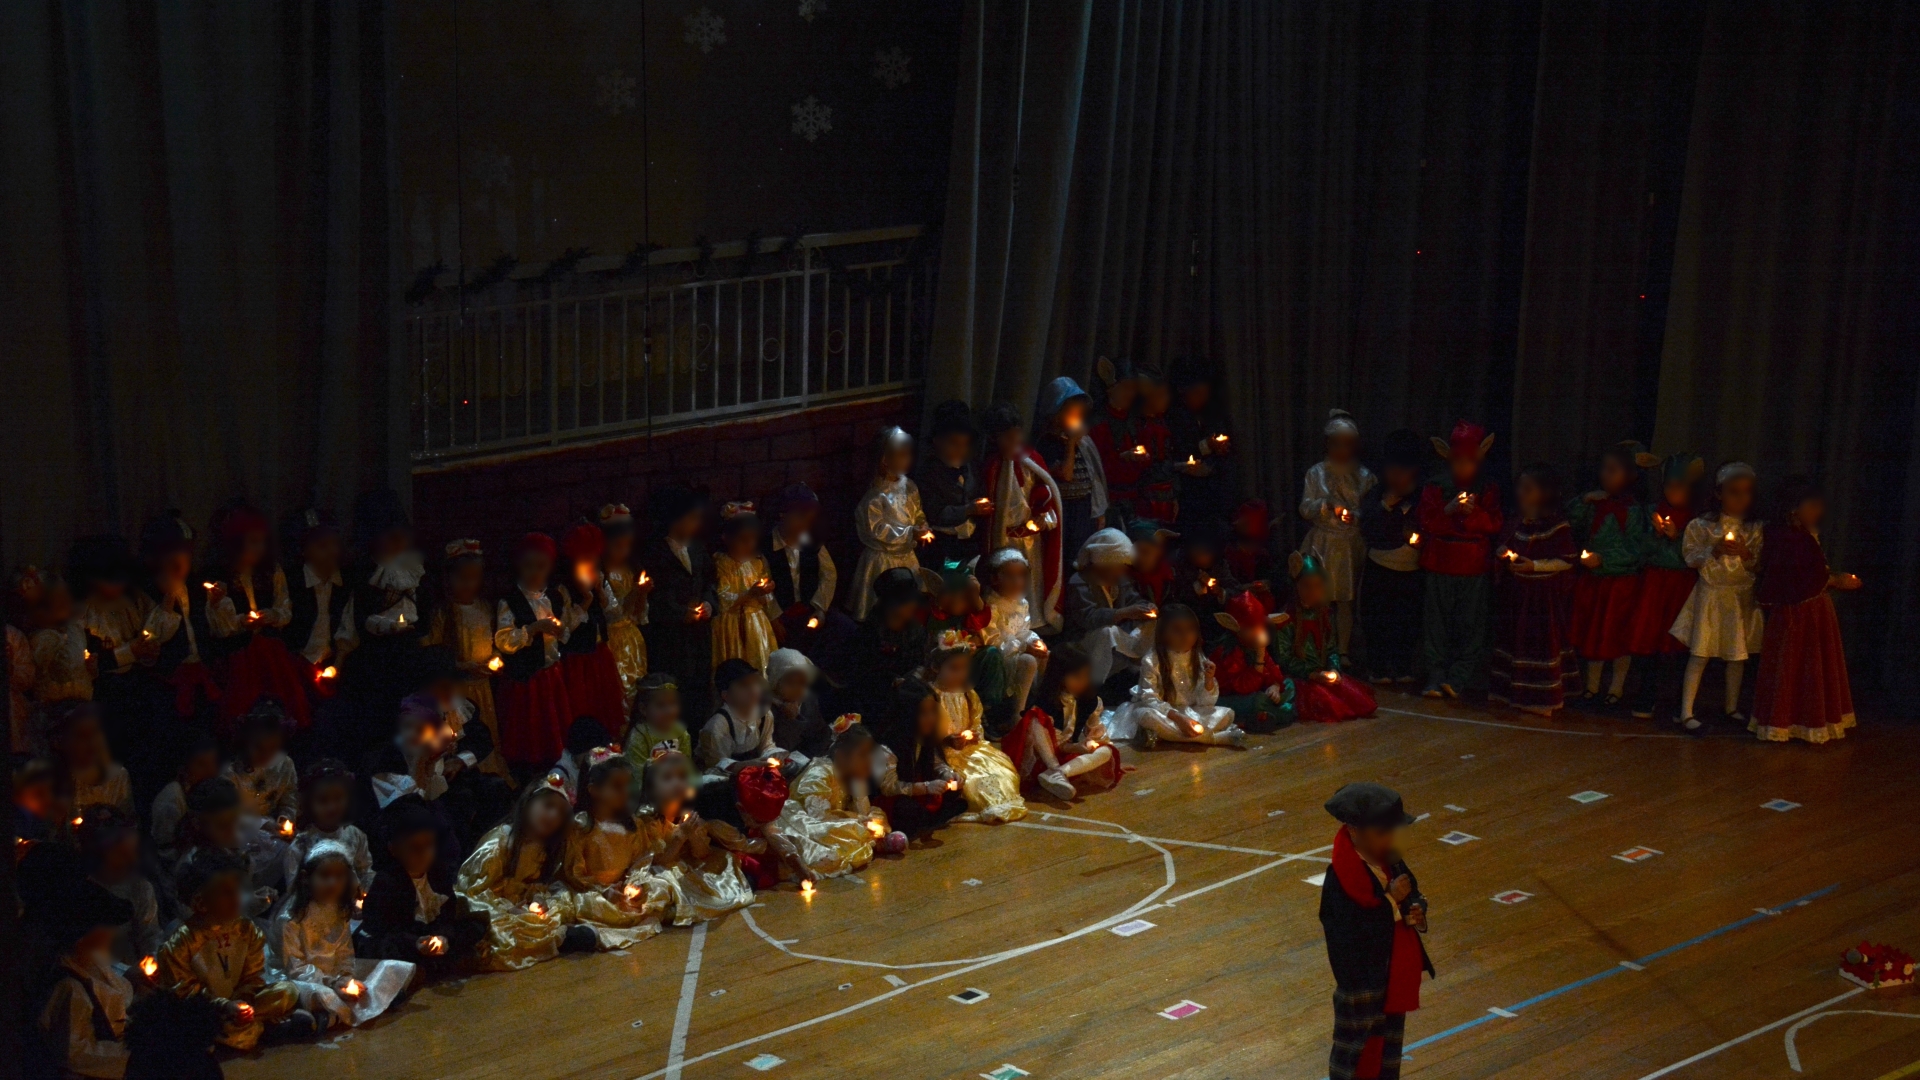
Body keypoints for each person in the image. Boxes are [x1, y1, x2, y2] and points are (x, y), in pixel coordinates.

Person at [1318, 782, 1433, 1080]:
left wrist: (1416, 910)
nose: (1390, 839)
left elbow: (1413, 892)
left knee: (1388, 1054)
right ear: (1354, 831)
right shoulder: (1339, 880)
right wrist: (1391, 900)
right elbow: (1348, 933)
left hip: (1392, 974)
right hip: (1362, 983)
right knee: (1354, 1055)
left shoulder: (1391, 861)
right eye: (1382, 832)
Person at [158, 849, 314, 1049]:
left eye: (237, 891)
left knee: (287, 991)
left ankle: (245, 1029)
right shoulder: (181, 943)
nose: (236, 899)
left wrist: (242, 1002)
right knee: (189, 1025)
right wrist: (224, 1006)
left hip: (237, 1002)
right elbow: (185, 993)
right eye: (226, 893)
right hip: (209, 1011)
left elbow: (253, 977)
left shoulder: (246, 930)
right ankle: (263, 1029)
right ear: (200, 902)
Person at [1750, 478, 1860, 743]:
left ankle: (1800, 720)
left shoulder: (1800, 535)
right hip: (1801, 615)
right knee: (1796, 664)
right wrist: (1835, 580)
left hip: (1812, 611)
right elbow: (1795, 578)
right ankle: (1789, 721)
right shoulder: (1790, 538)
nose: (1818, 511)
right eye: (1812, 505)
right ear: (1793, 509)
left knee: (1809, 666)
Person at [455, 773, 597, 970]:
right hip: (493, 909)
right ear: (529, 802)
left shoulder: (544, 847)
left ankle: (556, 937)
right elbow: (471, 894)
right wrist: (507, 909)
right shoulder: (498, 845)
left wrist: (537, 897)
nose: (553, 816)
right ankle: (556, 939)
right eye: (548, 805)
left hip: (522, 907)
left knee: (560, 902)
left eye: (561, 813)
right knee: (501, 930)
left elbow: (534, 884)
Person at [271, 840, 415, 1029]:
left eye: (339, 876)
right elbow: (295, 968)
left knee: (391, 967)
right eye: (325, 875)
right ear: (306, 878)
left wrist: (345, 977)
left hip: (335, 974)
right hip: (307, 979)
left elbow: (345, 952)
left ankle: (334, 1013)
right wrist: (331, 983)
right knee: (315, 994)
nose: (332, 883)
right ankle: (334, 1014)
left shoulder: (339, 909)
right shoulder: (290, 918)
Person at [1670, 463, 1764, 733]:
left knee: (1737, 655)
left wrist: (1745, 554)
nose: (1741, 498)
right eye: (1734, 492)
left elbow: (1759, 565)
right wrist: (1715, 550)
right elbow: (1691, 558)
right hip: (1711, 595)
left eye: (1747, 492)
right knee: (1700, 653)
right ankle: (1686, 712)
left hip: (1739, 597)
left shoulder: (1755, 529)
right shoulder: (1702, 526)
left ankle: (1731, 707)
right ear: (1719, 493)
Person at [334, 490, 427, 757]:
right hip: (373, 665)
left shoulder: (413, 569)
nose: (397, 540)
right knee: (376, 730)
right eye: (388, 534)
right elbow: (353, 620)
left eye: (401, 533)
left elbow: (424, 612)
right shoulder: (361, 574)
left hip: (407, 658)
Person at [354, 798, 488, 978]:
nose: (424, 853)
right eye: (415, 847)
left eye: (429, 844)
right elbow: (385, 931)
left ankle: (435, 965)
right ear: (394, 849)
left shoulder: (438, 873)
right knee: (387, 952)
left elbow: (448, 914)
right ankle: (428, 968)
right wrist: (416, 943)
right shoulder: (388, 882)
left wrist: (442, 936)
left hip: (428, 934)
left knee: (474, 927)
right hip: (404, 940)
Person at [205, 500, 309, 733]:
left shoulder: (271, 571)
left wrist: (272, 616)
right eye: (252, 542)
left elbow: (284, 607)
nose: (259, 548)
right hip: (239, 658)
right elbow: (219, 627)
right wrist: (241, 622)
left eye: (262, 541)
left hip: (272, 655)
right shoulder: (221, 576)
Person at [1417, 421, 1503, 699]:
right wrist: (1449, 510)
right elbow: (1426, 521)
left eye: (1469, 461)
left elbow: (1494, 523)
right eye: (1457, 461)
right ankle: (1435, 675)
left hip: (1473, 565)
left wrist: (1472, 514)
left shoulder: (1488, 487)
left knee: (1470, 624)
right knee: (1437, 623)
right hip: (1440, 561)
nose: (1462, 467)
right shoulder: (1435, 486)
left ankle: (1459, 677)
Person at [1568, 442, 1656, 706]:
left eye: (1613, 470)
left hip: (1621, 586)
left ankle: (1616, 689)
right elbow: (1569, 522)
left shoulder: (1635, 512)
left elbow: (1637, 550)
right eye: (1604, 469)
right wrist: (1584, 501)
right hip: (1594, 583)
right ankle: (1591, 687)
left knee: (1618, 636)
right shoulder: (1594, 504)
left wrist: (1604, 560)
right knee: (1593, 634)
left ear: (1631, 476)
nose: (1605, 475)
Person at [1489, 464, 1580, 715]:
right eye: (1520, 487)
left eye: (1528, 488)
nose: (1521, 492)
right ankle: (1513, 693)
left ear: (1545, 493)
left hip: (1542, 601)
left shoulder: (1556, 526)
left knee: (1539, 644)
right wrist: (1504, 554)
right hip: (1518, 597)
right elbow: (1508, 547)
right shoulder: (1517, 521)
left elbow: (1566, 560)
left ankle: (1541, 699)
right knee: (1516, 643)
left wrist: (1535, 566)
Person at [632, 747, 758, 923]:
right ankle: (672, 908)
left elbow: (701, 854)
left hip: (685, 865)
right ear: (650, 789)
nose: (677, 783)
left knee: (724, 864)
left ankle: (691, 902)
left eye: (682, 777)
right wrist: (681, 835)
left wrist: (694, 837)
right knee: (660, 881)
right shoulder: (647, 819)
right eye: (667, 778)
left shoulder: (687, 813)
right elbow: (658, 860)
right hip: (661, 867)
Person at [560, 751, 673, 948]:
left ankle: (629, 915)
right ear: (594, 790)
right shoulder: (580, 826)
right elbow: (574, 872)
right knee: (586, 903)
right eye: (617, 786)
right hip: (592, 890)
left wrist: (633, 884)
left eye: (627, 785)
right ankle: (584, 933)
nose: (625, 792)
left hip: (622, 889)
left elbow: (641, 861)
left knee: (660, 884)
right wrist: (603, 890)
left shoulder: (633, 824)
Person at [766, 719, 899, 879]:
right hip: (803, 822)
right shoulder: (820, 772)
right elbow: (817, 817)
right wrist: (859, 820)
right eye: (862, 755)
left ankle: (868, 839)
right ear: (841, 756)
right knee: (853, 831)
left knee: (873, 819)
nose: (869, 761)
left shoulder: (852, 778)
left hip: (830, 821)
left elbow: (863, 812)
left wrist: (862, 806)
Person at [422, 538, 510, 778]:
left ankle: (490, 772)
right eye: (462, 578)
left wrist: (496, 660)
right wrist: (462, 666)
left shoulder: (484, 608)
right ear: (448, 577)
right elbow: (432, 655)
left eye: (474, 578)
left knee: (485, 731)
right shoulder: (443, 613)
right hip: (457, 689)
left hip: (482, 688)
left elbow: (493, 642)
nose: (469, 584)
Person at [493, 533, 581, 772]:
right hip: (526, 680)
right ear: (518, 565)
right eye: (528, 566)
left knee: (553, 727)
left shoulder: (553, 596)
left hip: (551, 675)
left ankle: (554, 770)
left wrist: (560, 630)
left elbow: (564, 630)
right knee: (530, 732)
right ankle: (529, 771)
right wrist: (533, 629)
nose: (534, 572)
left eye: (541, 566)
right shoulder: (510, 601)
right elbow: (503, 640)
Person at [33, 877, 137, 1079]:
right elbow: (75, 1053)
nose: (113, 931)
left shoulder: (95, 960)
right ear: (85, 933)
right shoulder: (70, 988)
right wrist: (133, 1056)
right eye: (106, 924)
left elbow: (117, 997)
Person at [1628, 453, 1705, 720]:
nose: (1673, 491)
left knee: (1678, 642)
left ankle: (1676, 701)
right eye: (1669, 485)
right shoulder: (1652, 511)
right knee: (1650, 639)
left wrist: (1678, 537)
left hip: (1681, 586)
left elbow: (1696, 555)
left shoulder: (1698, 518)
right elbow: (1639, 548)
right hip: (1655, 584)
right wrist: (1655, 536)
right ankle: (1646, 694)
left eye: (1680, 486)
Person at [979, 402, 1067, 631]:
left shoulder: (1032, 460)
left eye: (1016, 435)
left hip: (1030, 539)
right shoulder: (992, 466)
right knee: (1006, 581)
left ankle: (1034, 621)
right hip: (1003, 539)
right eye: (1007, 437)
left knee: (1032, 580)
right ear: (994, 438)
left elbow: (1047, 495)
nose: (1014, 442)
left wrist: (1042, 518)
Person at [1107, 604, 1245, 749]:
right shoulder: (1152, 660)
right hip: (1164, 713)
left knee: (1226, 714)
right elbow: (1149, 698)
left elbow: (1205, 703)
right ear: (1163, 633)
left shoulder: (1198, 658)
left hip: (1189, 711)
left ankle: (1166, 735)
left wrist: (1209, 681)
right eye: (1177, 630)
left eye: (1190, 629)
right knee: (1146, 716)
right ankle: (1215, 739)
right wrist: (1178, 718)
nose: (1185, 636)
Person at [926, 631, 1027, 824]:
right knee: (971, 782)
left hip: (969, 751)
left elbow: (976, 723)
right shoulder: (929, 695)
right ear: (936, 667)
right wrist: (946, 741)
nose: (960, 674)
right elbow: (923, 735)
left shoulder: (968, 694)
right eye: (953, 668)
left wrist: (973, 736)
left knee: (1000, 773)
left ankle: (1001, 804)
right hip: (942, 755)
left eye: (964, 668)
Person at [1300, 410, 1377, 655]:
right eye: (1337, 444)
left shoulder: (1364, 476)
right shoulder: (1316, 473)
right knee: (1318, 597)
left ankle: (1342, 650)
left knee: (1346, 599)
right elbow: (1305, 508)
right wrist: (1325, 504)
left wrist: (1355, 515)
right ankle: (1319, 648)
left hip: (1349, 546)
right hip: (1322, 542)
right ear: (1327, 444)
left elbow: (1373, 511)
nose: (1342, 450)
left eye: (1348, 444)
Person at [1003, 645, 1121, 800]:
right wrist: (1072, 747)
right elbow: (1049, 741)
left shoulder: (1090, 701)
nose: (1083, 682)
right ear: (1059, 676)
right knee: (1034, 719)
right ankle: (1054, 770)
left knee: (1106, 751)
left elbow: (1096, 732)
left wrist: (1099, 751)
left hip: (1066, 758)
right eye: (1077, 677)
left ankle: (1059, 774)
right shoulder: (1047, 703)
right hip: (1042, 757)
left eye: (1086, 676)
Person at [639, 483, 717, 718]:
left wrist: (709, 603)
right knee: (676, 690)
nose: (697, 524)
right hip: (671, 641)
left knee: (699, 690)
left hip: (699, 638)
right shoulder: (654, 554)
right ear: (674, 520)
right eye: (692, 518)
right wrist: (679, 613)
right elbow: (652, 597)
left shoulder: (698, 548)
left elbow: (710, 581)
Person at [1277, 554, 1378, 723]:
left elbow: (1331, 649)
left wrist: (1334, 669)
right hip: (1302, 677)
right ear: (1296, 587)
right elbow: (1284, 659)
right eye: (1306, 586)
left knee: (1357, 700)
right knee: (1328, 704)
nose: (1312, 591)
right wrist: (1312, 674)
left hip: (1322, 674)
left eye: (1317, 585)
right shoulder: (1286, 619)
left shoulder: (1324, 615)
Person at [1359, 430, 1426, 684]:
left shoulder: (1423, 497)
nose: (1397, 476)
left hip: (1411, 570)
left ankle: (1402, 665)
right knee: (1377, 620)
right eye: (1392, 470)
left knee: (1407, 621)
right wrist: (1385, 505)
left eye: (1403, 470)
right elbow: (1367, 526)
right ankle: (1378, 666)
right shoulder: (1377, 495)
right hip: (1380, 566)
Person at [848, 427, 934, 621]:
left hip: (907, 557)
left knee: (909, 606)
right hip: (883, 561)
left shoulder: (910, 487)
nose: (908, 459)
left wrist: (922, 525)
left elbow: (917, 512)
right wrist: (910, 533)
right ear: (885, 460)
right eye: (902, 454)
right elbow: (876, 530)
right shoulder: (875, 497)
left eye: (909, 454)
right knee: (884, 609)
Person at [556, 523, 630, 735]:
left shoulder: (600, 578)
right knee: (582, 706)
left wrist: (600, 592)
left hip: (599, 653)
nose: (590, 563)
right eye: (584, 558)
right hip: (577, 659)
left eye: (594, 557)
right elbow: (563, 631)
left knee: (604, 704)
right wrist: (586, 600)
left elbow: (614, 613)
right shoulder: (563, 589)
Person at [1064, 528, 1156, 699]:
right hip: (1084, 641)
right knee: (1106, 632)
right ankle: (1093, 686)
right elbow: (1087, 618)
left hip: (1114, 640)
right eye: (1119, 566)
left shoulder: (1120, 581)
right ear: (1103, 561)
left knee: (1153, 623)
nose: (1122, 571)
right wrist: (1122, 613)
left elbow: (1135, 601)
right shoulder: (1080, 582)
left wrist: (1146, 608)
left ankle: (1137, 669)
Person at [763, 483, 851, 663]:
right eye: (800, 518)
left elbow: (828, 575)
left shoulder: (810, 542)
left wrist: (820, 608)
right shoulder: (766, 546)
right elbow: (763, 583)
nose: (805, 525)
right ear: (783, 514)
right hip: (781, 614)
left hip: (808, 609)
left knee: (845, 628)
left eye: (809, 520)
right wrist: (773, 618)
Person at [873, 680, 965, 835]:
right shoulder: (889, 745)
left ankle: (927, 819)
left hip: (918, 789)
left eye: (933, 711)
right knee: (906, 808)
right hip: (896, 797)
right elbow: (889, 787)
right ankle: (928, 819)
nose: (931, 718)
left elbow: (937, 763)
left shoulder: (925, 736)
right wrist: (925, 787)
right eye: (923, 713)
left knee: (955, 790)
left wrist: (948, 775)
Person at [1032, 376, 1110, 558]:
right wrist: (1071, 444)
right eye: (1071, 413)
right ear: (1056, 413)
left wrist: (1098, 512)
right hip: (1063, 510)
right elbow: (1065, 474)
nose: (1077, 419)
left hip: (1084, 509)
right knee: (1064, 555)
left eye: (1079, 414)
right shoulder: (1048, 443)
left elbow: (1094, 477)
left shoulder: (1082, 442)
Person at [837, 567, 927, 720]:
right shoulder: (868, 634)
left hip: (907, 696)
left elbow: (918, 663)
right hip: (873, 704)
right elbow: (861, 675)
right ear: (890, 603)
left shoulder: (916, 632)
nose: (913, 605)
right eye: (906, 601)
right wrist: (890, 681)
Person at [277, 507, 350, 695]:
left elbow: (347, 629)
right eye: (322, 546)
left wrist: (337, 665)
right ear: (303, 550)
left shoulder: (345, 583)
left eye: (335, 543)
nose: (332, 551)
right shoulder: (292, 582)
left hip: (331, 665)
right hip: (295, 668)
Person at [79, 805, 162, 964]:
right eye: (121, 854)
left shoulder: (140, 887)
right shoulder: (82, 888)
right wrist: (123, 972)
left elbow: (150, 934)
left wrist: (151, 958)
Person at [914, 401, 987, 570]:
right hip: (942, 545)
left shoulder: (971, 467)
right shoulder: (929, 473)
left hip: (969, 543)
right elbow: (935, 513)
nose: (960, 450)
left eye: (965, 444)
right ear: (937, 441)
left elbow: (977, 492)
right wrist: (968, 509)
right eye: (954, 443)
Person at [1209, 592, 1296, 732]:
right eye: (1251, 627)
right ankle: (1281, 714)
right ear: (1235, 628)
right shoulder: (1227, 651)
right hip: (1227, 699)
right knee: (1258, 701)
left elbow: (1273, 672)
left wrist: (1274, 686)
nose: (1257, 631)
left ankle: (1269, 714)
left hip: (1254, 693)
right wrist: (1260, 655)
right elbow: (1245, 687)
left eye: (1260, 625)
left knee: (1290, 684)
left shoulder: (1253, 645)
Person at [282, 759, 372, 892]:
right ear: (309, 803)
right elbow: (294, 890)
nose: (332, 807)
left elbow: (365, 872)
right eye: (323, 800)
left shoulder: (356, 837)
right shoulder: (301, 845)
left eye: (338, 798)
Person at [980, 548, 1048, 718]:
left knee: (1045, 655)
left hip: (1018, 650)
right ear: (995, 578)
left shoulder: (1021, 603)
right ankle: (1016, 715)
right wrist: (1023, 648)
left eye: (1021, 575)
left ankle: (1038, 706)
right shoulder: (990, 606)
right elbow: (992, 640)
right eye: (1010, 576)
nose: (1017, 581)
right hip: (1001, 657)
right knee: (1028, 661)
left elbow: (1024, 631)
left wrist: (1033, 641)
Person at [710, 504, 779, 671]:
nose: (750, 544)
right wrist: (750, 594)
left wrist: (766, 592)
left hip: (756, 623)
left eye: (754, 539)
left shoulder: (757, 562)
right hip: (730, 625)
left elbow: (766, 600)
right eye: (743, 539)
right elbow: (722, 599)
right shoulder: (721, 563)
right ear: (726, 538)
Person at [595, 503, 651, 707]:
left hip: (632, 639)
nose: (624, 551)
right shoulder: (601, 576)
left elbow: (639, 615)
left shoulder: (630, 570)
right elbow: (615, 613)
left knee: (637, 688)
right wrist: (635, 591)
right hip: (611, 642)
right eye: (618, 546)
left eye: (628, 545)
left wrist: (643, 594)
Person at [1167, 358, 1236, 524]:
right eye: (1197, 393)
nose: (1202, 398)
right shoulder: (1173, 416)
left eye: (1206, 393)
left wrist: (1221, 450)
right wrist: (1206, 446)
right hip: (1186, 494)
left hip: (1212, 494)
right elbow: (1177, 450)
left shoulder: (1211, 414)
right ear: (1183, 391)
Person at [1089, 357, 1154, 523]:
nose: (1130, 394)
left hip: (1133, 500)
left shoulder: (1135, 421)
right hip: (1106, 500)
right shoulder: (1098, 424)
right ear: (1110, 388)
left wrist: (1143, 458)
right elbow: (1094, 467)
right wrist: (1122, 458)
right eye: (1125, 387)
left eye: (1133, 388)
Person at [696, 658, 782, 782]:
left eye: (755, 682)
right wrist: (744, 766)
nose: (753, 690)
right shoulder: (718, 726)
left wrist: (773, 754)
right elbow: (716, 768)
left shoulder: (764, 715)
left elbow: (766, 745)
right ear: (726, 695)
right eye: (744, 685)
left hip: (751, 778)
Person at [48, 702, 133, 815]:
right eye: (82, 736)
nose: (91, 743)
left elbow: (127, 819)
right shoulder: (58, 778)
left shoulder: (118, 777)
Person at [151, 734, 220, 866]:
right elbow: (166, 852)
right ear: (182, 768)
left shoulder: (203, 791)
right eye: (201, 764)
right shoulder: (172, 800)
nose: (211, 771)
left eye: (214, 763)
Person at [1170, 522, 1240, 647]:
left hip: (1215, 622)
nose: (1201, 557)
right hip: (1184, 621)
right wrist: (1194, 589)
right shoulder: (1178, 564)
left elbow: (1235, 589)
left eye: (1205, 552)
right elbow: (1171, 596)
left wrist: (1220, 592)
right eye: (1197, 551)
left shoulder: (1219, 566)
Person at [624, 673, 695, 783]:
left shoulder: (680, 732)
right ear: (643, 709)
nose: (669, 711)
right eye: (661, 705)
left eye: (673, 703)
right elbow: (637, 777)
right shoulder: (639, 736)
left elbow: (686, 766)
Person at [767, 648, 832, 767]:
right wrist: (790, 719)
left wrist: (807, 758)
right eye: (790, 683)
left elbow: (820, 735)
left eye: (802, 682)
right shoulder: (765, 706)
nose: (797, 689)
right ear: (775, 681)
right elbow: (778, 747)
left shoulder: (808, 700)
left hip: (804, 760)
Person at [1225, 500, 1280, 602]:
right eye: (1243, 524)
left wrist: (1268, 583)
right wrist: (1241, 588)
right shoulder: (1230, 551)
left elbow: (1275, 576)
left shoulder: (1265, 552)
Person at [1127, 520, 1177, 607]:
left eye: (1145, 551)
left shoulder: (1170, 576)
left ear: (1160, 551)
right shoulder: (1124, 580)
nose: (1139, 557)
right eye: (1133, 552)